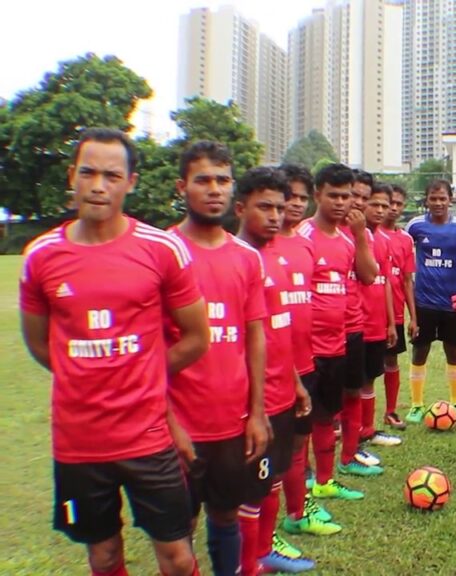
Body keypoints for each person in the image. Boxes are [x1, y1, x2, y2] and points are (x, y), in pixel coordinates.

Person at [20, 128, 207, 576]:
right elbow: (41, 345)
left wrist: (141, 371)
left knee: (178, 558)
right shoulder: (41, 255)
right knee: (102, 557)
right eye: (88, 173)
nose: (98, 185)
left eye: (111, 174)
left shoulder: (161, 249)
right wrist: (86, 369)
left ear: (131, 182)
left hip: (148, 437)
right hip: (78, 443)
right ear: (73, 176)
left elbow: (196, 337)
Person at [166, 141, 271, 576]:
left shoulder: (246, 258)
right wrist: (167, 422)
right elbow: (151, 350)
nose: (214, 189)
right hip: (176, 425)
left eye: (223, 180)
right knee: (179, 529)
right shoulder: (162, 252)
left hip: (233, 422)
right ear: (182, 187)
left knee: (226, 515)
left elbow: (254, 337)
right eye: (203, 180)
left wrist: (258, 412)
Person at [233, 167, 316, 575]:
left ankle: (263, 551)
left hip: (284, 388)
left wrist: (297, 383)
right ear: (240, 208)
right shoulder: (236, 259)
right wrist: (254, 407)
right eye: (264, 207)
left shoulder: (276, 257)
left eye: (280, 208)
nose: (276, 216)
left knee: (272, 476)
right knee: (250, 489)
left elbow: (276, 332)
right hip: (254, 402)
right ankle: (249, 562)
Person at [296, 163, 375, 501]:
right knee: (303, 420)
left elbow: (367, 277)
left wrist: (359, 237)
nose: (342, 203)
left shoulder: (348, 238)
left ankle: (328, 479)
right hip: (305, 347)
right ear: (318, 195)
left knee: (329, 413)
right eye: (334, 195)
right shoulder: (301, 236)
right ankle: (303, 480)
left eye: (347, 196)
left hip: (338, 341)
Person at [274, 164, 341, 546]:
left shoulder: (304, 244)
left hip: (306, 363)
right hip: (271, 372)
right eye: (289, 197)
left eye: (301, 197)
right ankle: (263, 536)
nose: (295, 204)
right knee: (272, 453)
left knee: (299, 442)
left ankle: (298, 514)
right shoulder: (256, 246)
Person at [403, 180, 456, 423]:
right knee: (420, 351)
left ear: (450, 199)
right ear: (426, 200)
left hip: (452, 305)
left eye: (442, 198)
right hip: (423, 303)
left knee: (453, 351)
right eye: (433, 198)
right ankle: (416, 405)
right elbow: (403, 256)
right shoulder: (415, 226)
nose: (438, 203)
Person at [337, 169, 387, 473]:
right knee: (319, 400)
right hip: (320, 331)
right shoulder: (310, 232)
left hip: (355, 325)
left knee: (354, 388)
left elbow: (369, 276)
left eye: (362, 198)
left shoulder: (363, 234)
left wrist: (358, 235)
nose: (356, 203)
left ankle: (351, 451)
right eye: (352, 195)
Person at [358, 181, 401, 447]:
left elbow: (384, 282)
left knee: (371, 377)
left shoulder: (383, 241)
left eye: (384, 205)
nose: (380, 210)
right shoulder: (353, 237)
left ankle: (368, 429)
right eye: (374, 204)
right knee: (353, 382)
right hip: (354, 323)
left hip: (376, 322)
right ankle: (354, 432)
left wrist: (390, 322)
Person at [380, 184, 418, 429]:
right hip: (369, 314)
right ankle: (343, 419)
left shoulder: (405, 238)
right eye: (388, 203)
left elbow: (407, 280)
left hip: (395, 313)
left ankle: (391, 411)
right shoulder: (367, 236)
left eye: (398, 204)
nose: (393, 208)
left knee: (391, 362)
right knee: (361, 369)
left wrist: (413, 317)